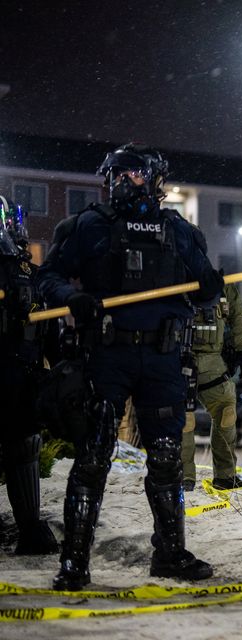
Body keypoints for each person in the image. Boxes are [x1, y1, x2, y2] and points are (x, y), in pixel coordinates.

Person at [38, 144, 222, 590]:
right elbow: (47, 278)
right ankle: (75, 563)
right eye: (118, 173)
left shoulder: (180, 231)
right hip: (107, 355)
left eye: (135, 173)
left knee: (164, 459)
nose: (125, 181)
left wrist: (210, 287)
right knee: (94, 456)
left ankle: (171, 554)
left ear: (155, 180)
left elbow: (204, 289)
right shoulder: (88, 226)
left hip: (162, 358)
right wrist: (71, 298)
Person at [0, 200, 59, 555]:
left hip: (19, 374)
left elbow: (49, 331)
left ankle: (30, 529)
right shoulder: (25, 273)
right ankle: (30, 529)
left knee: (23, 445)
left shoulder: (28, 274)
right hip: (18, 374)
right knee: (22, 446)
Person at [182, 275, 242, 492]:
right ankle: (184, 477)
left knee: (226, 412)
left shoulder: (222, 285)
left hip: (214, 360)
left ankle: (225, 476)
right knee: (183, 419)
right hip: (179, 357)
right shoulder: (174, 279)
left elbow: (238, 316)